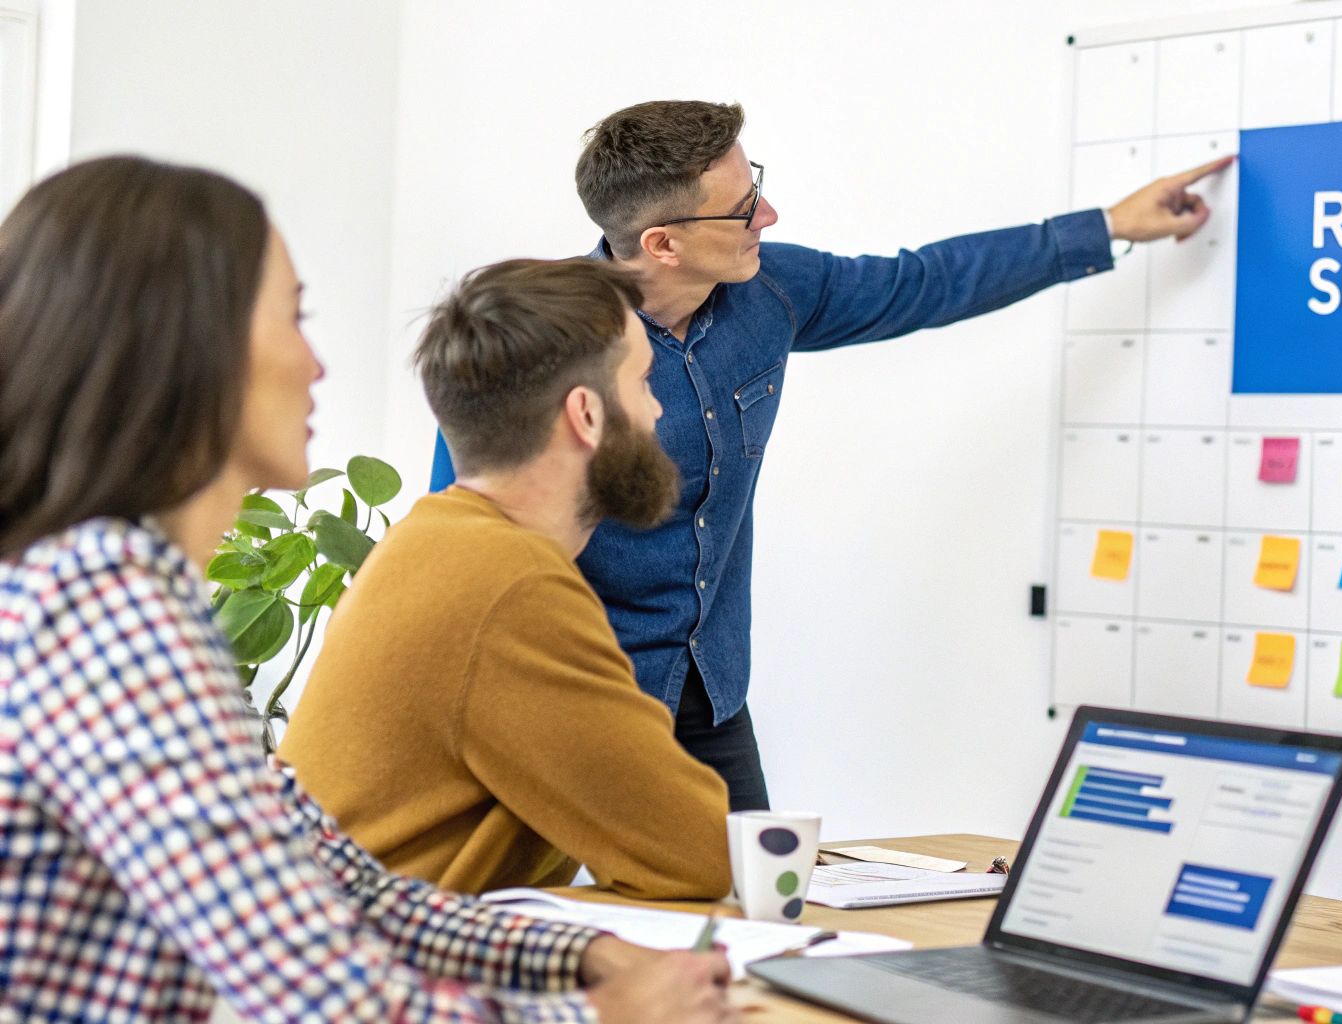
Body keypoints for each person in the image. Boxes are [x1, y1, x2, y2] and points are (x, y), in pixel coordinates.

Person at [0, 155, 733, 1023]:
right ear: (187, 346)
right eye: (293, 317)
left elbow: (342, 883)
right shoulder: (105, 613)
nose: (316, 364)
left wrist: (586, 957)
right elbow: (327, 1006)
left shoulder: (123, 596)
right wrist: (608, 1013)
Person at [430, 99, 1233, 811]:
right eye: (742, 208)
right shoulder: (537, 342)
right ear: (663, 243)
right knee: (547, 928)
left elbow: (921, 283)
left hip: (709, 695)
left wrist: (1107, 226)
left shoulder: (767, 292)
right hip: (574, 700)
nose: (768, 215)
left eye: (758, 187)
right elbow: (468, 546)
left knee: (752, 916)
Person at [281, 258, 731, 899]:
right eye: (644, 382)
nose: (658, 412)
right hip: (384, 977)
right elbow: (699, 851)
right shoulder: (510, 586)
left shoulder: (435, 541)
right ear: (587, 414)